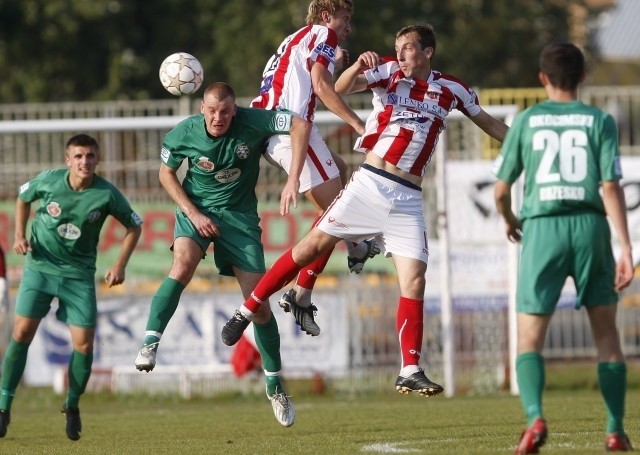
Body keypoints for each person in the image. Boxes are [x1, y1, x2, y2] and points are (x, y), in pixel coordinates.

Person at [222, 24, 508, 397]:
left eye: (408, 49)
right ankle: (247, 310)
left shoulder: (451, 89)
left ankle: (410, 368)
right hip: (370, 185)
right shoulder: (386, 72)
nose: (401, 54)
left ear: (428, 52)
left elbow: (487, 121)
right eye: (397, 48)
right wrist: (358, 66)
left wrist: (524, 143)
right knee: (311, 247)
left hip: (408, 198)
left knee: (415, 279)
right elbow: (336, 88)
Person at [133, 82, 311, 428]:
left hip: (240, 219)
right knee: (182, 265)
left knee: (258, 305)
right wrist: (193, 214)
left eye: (226, 111)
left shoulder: (253, 120)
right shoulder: (184, 132)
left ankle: (274, 385)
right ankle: (150, 342)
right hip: (195, 211)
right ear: (202, 108)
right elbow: (165, 173)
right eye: (212, 111)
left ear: (235, 109)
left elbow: (300, 124)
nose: (219, 118)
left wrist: (292, 179)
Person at [494, 42, 634, 454]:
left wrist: (510, 219)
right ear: (583, 77)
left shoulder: (528, 120)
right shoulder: (600, 121)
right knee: (607, 335)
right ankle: (614, 430)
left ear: (542, 78)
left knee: (530, 339)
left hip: (542, 229)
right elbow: (610, 186)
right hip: (590, 227)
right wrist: (625, 246)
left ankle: (535, 418)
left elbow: (501, 190)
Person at [251, 0, 381, 337]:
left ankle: (354, 248)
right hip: (290, 131)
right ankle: (300, 292)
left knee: (338, 180)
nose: (348, 27)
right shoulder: (324, 33)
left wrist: (335, 64)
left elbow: (311, 81)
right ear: (327, 17)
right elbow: (322, 88)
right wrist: (358, 123)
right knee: (340, 213)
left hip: (278, 126)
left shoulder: (300, 37)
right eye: (346, 19)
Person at [0, 134, 142, 441]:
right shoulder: (49, 181)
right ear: (68, 160)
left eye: (90, 156)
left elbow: (134, 225)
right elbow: (23, 198)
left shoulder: (106, 194)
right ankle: (3, 406)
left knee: (84, 345)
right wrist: (19, 235)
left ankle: (72, 405)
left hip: (78, 276)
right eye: (78, 156)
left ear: (97, 160)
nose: (84, 162)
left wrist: (119, 264)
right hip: (40, 268)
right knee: (21, 334)